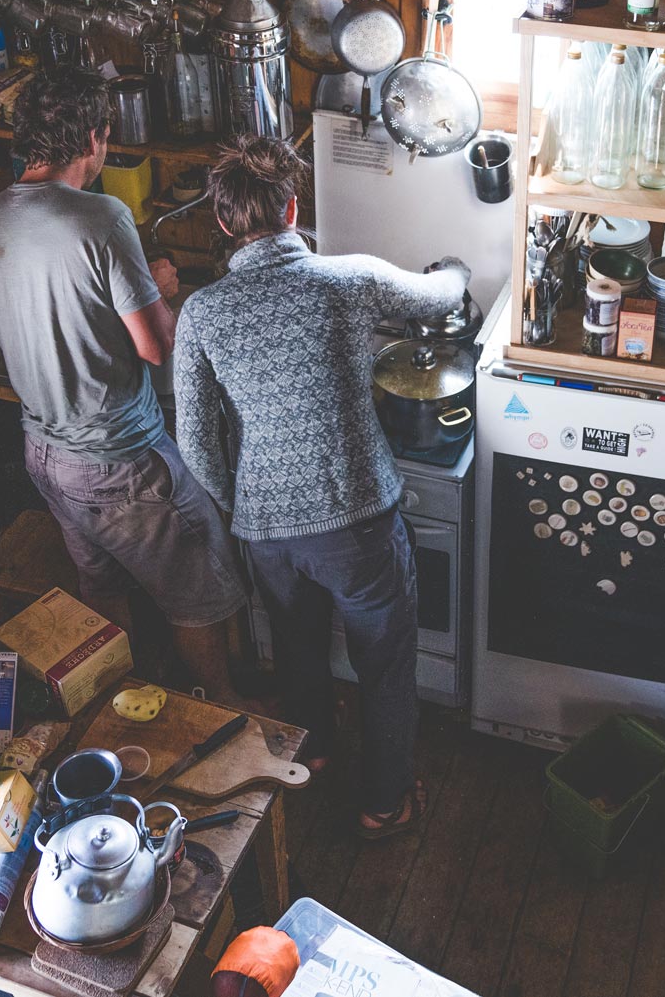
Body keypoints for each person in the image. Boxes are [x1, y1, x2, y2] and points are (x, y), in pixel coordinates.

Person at [172, 137, 469, 840]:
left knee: (298, 648)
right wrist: (454, 268)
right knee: (385, 661)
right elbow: (439, 296)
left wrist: (241, 502)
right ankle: (385, 800)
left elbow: (194, 440)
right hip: (358, 520)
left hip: (267, 533)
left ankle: (318, 752)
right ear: (293, 209)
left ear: (222, 225)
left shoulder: (202, 313)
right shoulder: (348, 279)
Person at [0, 66, 252, 707]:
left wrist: (129, 292)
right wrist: (164, 294)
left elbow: (48, 314)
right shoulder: (102, 217)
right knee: (202, 584)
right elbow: (156, 345)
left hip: (43, 452)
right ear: (94, 137)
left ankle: (120, 704)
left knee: (101, 585)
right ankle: (223, 707)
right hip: (118, 459)